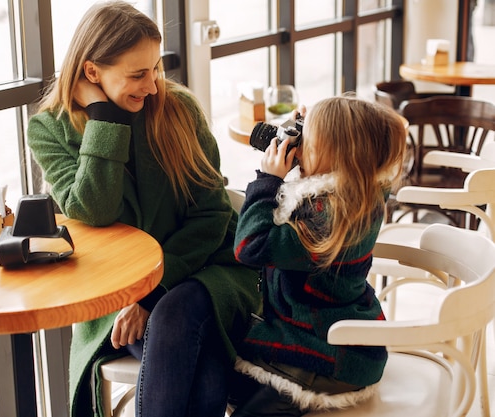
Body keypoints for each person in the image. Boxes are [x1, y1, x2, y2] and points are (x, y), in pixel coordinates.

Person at [26, 1, 261, 416]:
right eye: (138, 74)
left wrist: (151, 292)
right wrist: (104, 118)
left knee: (172, 312)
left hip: (209, 267)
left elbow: (211, 216)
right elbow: (93, 209)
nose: (153, 86)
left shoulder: (178, 110)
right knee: (206, 383)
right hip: (119, 291)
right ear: (92, 72)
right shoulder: (49, 129)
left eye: (155, 69)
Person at [231, 95, 406, 416]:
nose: (299, 144)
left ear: (333, 154)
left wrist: (267, 180)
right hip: (326, 326)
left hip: (332, 354)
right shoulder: (356, 194)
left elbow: (250, 246)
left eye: (308, 139)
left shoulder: (330, 217)